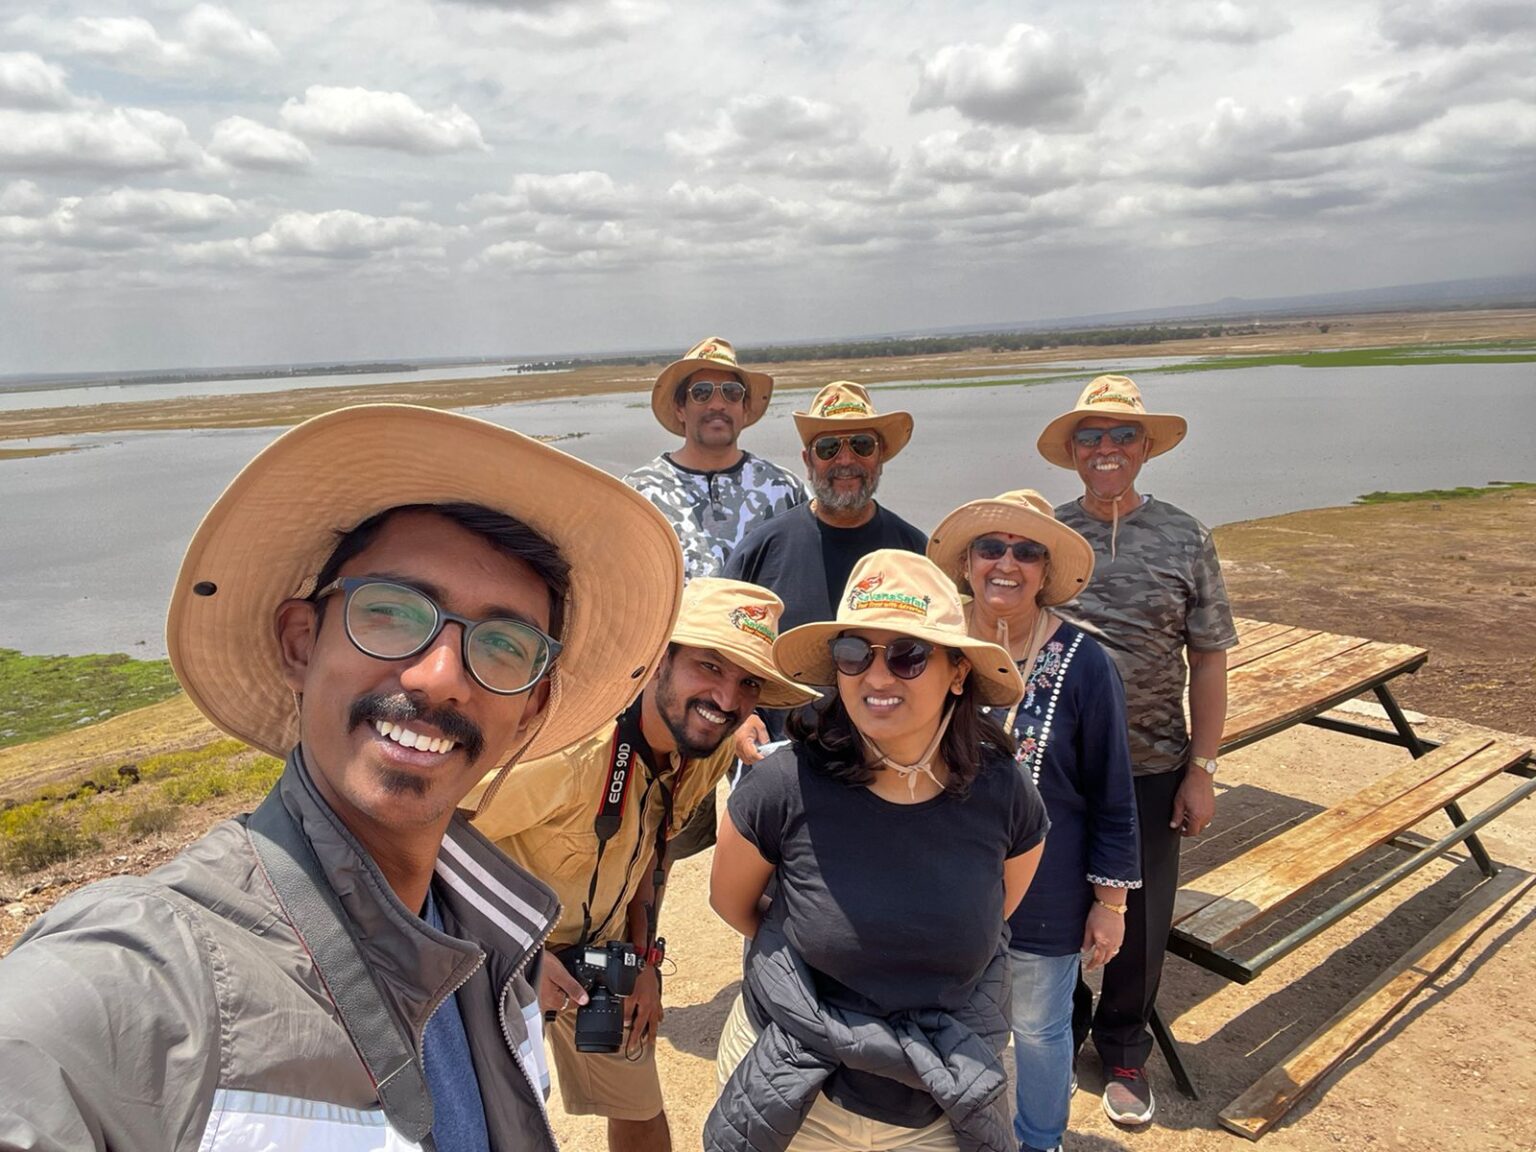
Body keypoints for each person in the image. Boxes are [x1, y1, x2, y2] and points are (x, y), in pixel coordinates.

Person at [0, 404, 685, 1151]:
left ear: (531, 710)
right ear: (301, 644)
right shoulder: (150, 975)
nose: (439, 677)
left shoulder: (497, 952)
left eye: (503, 645)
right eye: (392, 612)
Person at [707, 550, 1049, 1152]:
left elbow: (996, 912)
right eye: (854, 652)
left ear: (958, 672)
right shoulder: (783, 784)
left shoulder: (1005, 792)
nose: (878, 676)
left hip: (937, 1100)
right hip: (791, 1084)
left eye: (908, 654)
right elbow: (731, 902)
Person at [470, 578, 816, 1152]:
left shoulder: (702, 748)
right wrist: (514, 957)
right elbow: (432, 835)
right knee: (496, 1122)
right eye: (709, 666)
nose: (726, 699)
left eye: (747, 682)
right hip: (494, 950)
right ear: (659, 658)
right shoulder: (572, 750)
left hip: (600, 954)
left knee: (639, 1107)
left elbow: (653, 853)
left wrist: (644, 961)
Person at [1036, 375, 1237, 1127]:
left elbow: (1209, 657)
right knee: (1056, 905)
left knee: (1142, 920)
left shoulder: (1186, 536)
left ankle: (1124, 1048)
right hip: (1061, 768)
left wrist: (1203, 769)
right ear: (1072, 451)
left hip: (1154, 763)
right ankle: (1059, 1031)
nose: (1107, 449)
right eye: (1090, 436)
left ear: (1146, 447)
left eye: (1123, 435)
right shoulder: (1048, 537)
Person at [928, 490, 1140, 1152]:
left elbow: (1113, 792)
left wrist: (1111, 903)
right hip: (943, 887)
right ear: (967, 562)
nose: (1007, 564)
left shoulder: (1086, 664)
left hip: (1049, 891)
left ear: (1046, 572)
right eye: (991, 547)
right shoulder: (932, 647)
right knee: (949, 1021)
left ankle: (1040, 1141)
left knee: (1042, 1029)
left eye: (1027, 552)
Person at [725, 381, 927, 756]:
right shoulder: (763, 547)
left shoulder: (915, 551)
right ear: (808, 461)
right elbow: (723, 645)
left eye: (862, 445)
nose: (846, 460)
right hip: (784, 756)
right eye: (829, 447)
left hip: (891, 757)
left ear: (880, 456)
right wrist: (739, 716)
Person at [623, 337, 805, 583]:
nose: (718, 404)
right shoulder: (639, 493)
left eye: (732, 393)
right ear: (680, 408)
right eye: (701, 393)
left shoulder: (784, 489)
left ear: (745, 408)